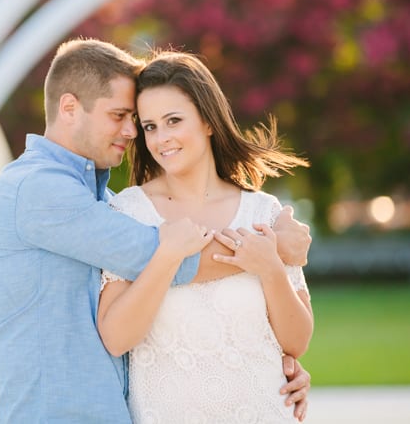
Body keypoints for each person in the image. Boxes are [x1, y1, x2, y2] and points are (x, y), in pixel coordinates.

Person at [0, 39, 312, 423]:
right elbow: (157, 252)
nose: (133, 132)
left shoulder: (100, 198)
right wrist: (272, 251)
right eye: (121, 116)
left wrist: (268, 361)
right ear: (69, 107)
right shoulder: (38, 189)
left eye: (136, 120)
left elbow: (282, 333)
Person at [97, 51, 314, 423]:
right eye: (149, 126)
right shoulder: (130, 214)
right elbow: (116, 338)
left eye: (173, 121)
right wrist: (166, 257)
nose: (161, 138)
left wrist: (271, 269)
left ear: (209, 122)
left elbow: (296, 343)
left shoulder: (263, 213)